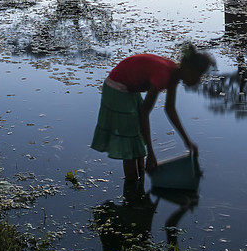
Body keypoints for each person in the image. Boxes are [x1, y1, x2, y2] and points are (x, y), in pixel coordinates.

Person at [90, 44, 215, 181]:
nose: (198, 80)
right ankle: (132, 187)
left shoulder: (174, 74)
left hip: (129, 88)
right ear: (188, 69)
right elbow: (144, 112)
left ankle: (140, 188)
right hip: (117, 87)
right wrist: (151, 153)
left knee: (137, 143)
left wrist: (187, 142)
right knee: (130, 148)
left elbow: (170, 110)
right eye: (198, 75)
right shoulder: (164, 74)